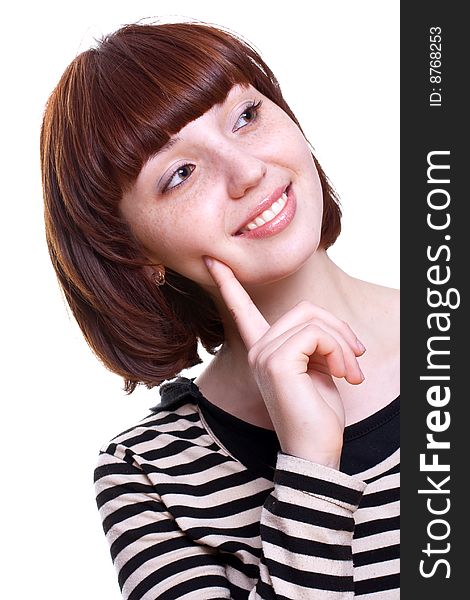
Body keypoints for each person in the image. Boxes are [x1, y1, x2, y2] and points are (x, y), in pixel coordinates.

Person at [40, 20, 399, 599]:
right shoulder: (148, 480)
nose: (249, 171)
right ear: (132, 253)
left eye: (246, 117)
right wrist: (310, 465)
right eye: (180, 174)